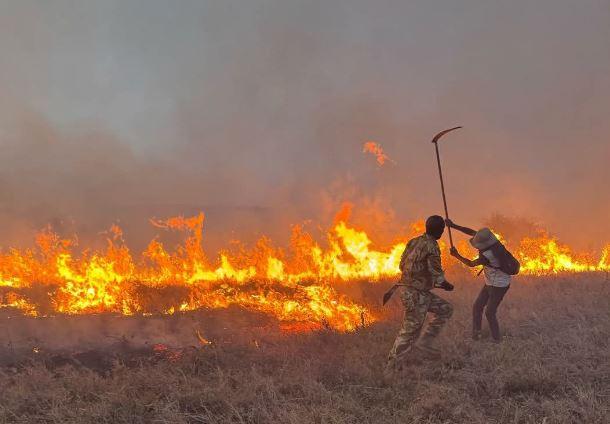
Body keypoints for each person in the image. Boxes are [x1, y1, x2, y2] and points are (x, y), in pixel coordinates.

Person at [386, 215, 454, 373]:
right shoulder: (432, 246)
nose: (443, 232)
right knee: (409, 331)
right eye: (442, 229)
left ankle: (425, 343)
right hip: (415, 294)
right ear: (438, 230)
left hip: (416, 291)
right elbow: (436, 272)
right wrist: (445, 285)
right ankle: (391, 369)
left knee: (445, 309)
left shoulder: (414, 241)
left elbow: (401, 264)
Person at [445, 219, 510, 342]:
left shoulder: (489, 254)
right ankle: (476, 336)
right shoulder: (492, 242)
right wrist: (453, 225)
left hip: (499, 285)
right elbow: (471, 232)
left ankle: (497, 340)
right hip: (490, 282)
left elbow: (470, 263)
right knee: (477, 307)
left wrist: (456, 255)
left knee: (489, 312)